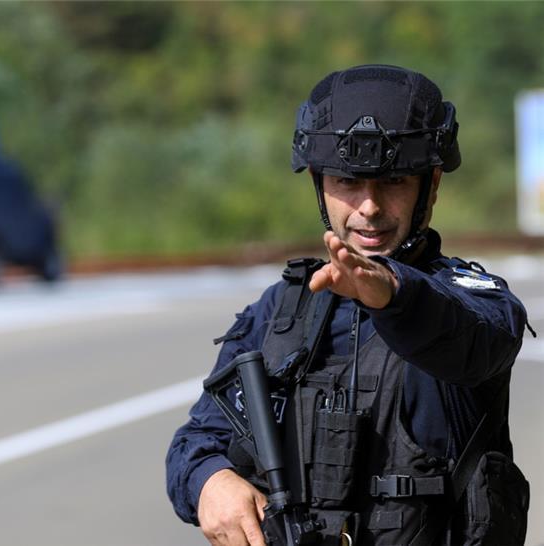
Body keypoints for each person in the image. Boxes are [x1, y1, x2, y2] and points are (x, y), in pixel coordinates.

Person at [165, 64, 532, 546]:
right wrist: (211, 481)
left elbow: (471, 343)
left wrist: (395, 295)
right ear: (318, 182)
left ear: (432, 183)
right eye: (347, 182)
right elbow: (197, 441)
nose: (369, 207)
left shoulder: (471, 300)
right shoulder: (281, 311)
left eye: (394, 181)